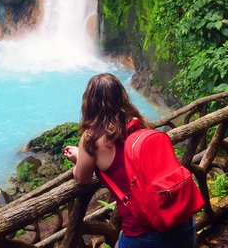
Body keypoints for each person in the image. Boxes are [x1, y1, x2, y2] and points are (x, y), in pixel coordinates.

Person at [63, 72, 196, 248]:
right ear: (121, 96)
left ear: (89, 102)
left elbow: (82, 178)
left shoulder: (92, 138)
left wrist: (80, 157)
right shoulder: (138, 122)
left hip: (146, 231)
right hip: (182, 218)